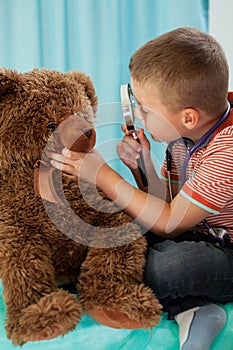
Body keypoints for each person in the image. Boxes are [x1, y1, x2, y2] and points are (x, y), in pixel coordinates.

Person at [50, 27, 233, 350]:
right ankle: (193, 308)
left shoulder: (227, 152)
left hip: (227, 254)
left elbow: (169, 221)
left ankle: (193, 307)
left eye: (146, 110)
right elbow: (167, 202)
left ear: (188, 117)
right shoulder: (183, 138)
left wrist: (104, 175)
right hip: (194, 233)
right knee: (110, 230)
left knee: (169, 268)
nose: (139, 116)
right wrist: (142, 163)